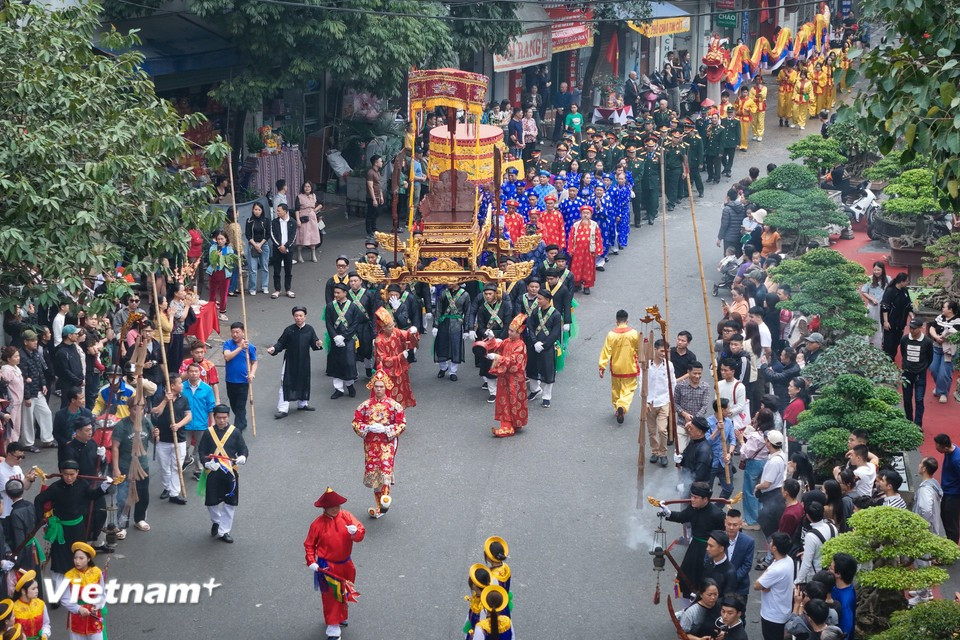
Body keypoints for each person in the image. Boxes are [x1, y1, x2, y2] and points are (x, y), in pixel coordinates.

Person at [33, 460, 112, 587]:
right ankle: (57, 592)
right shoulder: (55, 488)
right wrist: (41, 520)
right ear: (61, 473)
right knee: (59, 560)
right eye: (66, 474)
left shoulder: (82, 484)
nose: (69, 478)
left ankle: (78, 586)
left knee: (79, 556)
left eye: (72, 474)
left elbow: (92, 495)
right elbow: (39, 500)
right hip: (61, 530)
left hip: (78, 528)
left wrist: (104, 486)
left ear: (77, 473)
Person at [304, 488, 365, 640]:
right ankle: (333, 627)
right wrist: (311, 561)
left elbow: (360, 533)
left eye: (337, 506)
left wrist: (355, 532)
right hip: (327, 567)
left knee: (344, 591)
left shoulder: (346, 516)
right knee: (330, 597)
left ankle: (340, 616)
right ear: (325, 508)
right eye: (332, 507)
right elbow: (309, 544)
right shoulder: (317, 524)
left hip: (346, 563)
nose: (336, 509)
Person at [352, 371, 406, 518]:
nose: (379, 389)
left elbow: (401, 424)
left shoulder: (394, 406)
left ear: (386, 387)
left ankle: (384, 504)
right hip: (370, 445)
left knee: (385, 471)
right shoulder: (364, 406)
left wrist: (387, 429)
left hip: (387, 444)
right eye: (376, 386)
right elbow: (356, 422)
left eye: (381, 386)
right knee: (375, 475)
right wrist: (366, 428)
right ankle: (379, 506)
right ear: (372, 387)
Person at [658, 482, 726, 597]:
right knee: (685, 579)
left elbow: (726, 533)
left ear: (705, 499)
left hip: (708, 551)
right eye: (691, 496)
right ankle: (686, 609)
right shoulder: (693, 508)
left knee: (704, 580)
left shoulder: (717, 514)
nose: (692, 499)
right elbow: (682, 517)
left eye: (695, 497)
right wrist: (668, 513)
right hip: (694, 547)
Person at [198, 404, 248, 543]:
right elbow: (201, 451)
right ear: (214, 417)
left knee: (230, 503)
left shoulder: (235, 432)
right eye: (219, 418)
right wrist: (205, 462)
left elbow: (243, 449)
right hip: (213, 472)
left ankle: (224, 531)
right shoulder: (208, 433)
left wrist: (243, 457)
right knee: (211, 502)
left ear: (228, 417)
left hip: (230, 473)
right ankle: (217, 521)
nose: (222, 420)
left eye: (224, 418)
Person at [267, 306, 323, 417]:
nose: (298, 318)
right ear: (293, 317)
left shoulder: (309, 329)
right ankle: (283, 409)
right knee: (286, 383)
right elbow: (281, 343)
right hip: (290, 361)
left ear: (305, 316)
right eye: (296, 316)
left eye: (301, 316)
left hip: (304, 361)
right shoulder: (289, 330)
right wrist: (274, 349)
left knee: (303, 381)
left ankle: (302, 404)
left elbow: (314, 343)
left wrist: (318, 344)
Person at [110, 409, 152, 537]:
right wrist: (116, 468)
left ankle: (139, 519)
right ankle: (122, 525)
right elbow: (115, 447)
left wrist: (157, 434)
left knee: (143, 495)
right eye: (135, 408)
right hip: (125, 467)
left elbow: (154, 440)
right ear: (129, 409)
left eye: (141, 407)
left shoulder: (145, 422)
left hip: (142, 467)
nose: (139, 410)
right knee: (123, 498)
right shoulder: (121, 426)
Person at [468, 284, 512, 403]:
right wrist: (486, 332)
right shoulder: (482, 308)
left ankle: (504, 389)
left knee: (503, 363)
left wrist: (501, 337)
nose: (488, 296)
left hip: (503, 337)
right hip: (488, 338)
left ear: (495, 294)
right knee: (488, 364)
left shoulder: (505, 305)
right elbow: (481, 325)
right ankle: (493, 392)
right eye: (486, 294)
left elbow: (508, 323)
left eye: (490, 294)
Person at [149, 376, 190, 505]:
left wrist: (178, 425)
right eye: (179, 383)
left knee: (177, 467)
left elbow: (188, 416)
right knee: (165, 467)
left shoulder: (184, 399)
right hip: (163, 440)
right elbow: (155, 413)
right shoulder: (159, 397)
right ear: (172, 386)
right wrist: (165, 401)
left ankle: (174, 493)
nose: (182, 385)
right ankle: (167, 487)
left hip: (180, 439)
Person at [598, 310, 640, 424]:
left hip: (616, 368)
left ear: (616, 321)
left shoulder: (611, 334)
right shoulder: (633, 333)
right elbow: (639, 349)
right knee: (628, 389)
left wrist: (602, 367)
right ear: (627, 320)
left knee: (616, 389)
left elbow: (606, 351)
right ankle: (622, 406)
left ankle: (617, 407)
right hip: (630, 367)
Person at [372, 308, 417, 409]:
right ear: (383, 327)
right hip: (388, 372)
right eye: (390, 326)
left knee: (402, 392)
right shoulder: (379, 340)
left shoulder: (395, 332)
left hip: (399, 368)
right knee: (389, 398)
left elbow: (406, 335)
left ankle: (399, 413)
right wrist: (400, 357)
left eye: (393, 325)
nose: (393, 327)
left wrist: (412, 332)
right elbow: (382, 360)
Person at [61, 542, 106, 640]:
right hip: (77, 617)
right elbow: (65, 599)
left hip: (94, 615)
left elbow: (102, 593)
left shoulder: (97, 572)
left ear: (88, 559)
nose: (77, 561)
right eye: (75, 558)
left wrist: (97, 605)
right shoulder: (69, 576)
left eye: (81, 558)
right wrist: (78, 609)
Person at [324, 284, 363, 399]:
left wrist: (344, 337)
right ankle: (338, 389)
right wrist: (335, 336)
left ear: (345, 293)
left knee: (349, 363)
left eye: (338, 293)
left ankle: (350, 385)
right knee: (335, 363)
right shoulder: (330, 306)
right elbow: (329, 323)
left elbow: (355, 324)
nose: (336, 295)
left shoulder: (353, 307)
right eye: (335, 293)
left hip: (348, 340)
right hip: (335, 340)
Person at [642, 339, 676, 467]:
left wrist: (672, 399)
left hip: (664, 401)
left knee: (662, 430)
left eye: (666, 351)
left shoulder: (669, 365)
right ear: (655, 350)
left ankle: (663, 453)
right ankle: (655, 451)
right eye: (662, 351)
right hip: (650, 402)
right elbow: (642, 382)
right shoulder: (647, 364)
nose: (664, 353)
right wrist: (644, 401)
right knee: (651, 431)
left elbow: (672, 382)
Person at [18, 331, 54, 451]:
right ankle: (28, 443)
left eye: (35, 340)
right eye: (32, 340)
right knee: (28, 419)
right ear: (25, 342)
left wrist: (43, 384)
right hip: (29, 393)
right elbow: (23, 378)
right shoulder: (22, 356)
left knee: (46, 413)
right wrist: (27, 396)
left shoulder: (35, 353)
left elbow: (40, 371)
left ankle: (47, 439)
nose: (35, 342)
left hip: (38, 390)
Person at [525, 289, 562, 408]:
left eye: (540, 299)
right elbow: (530, 327)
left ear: (547, 300)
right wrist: (535, 342)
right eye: (537, 298)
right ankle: (535, 389)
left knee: (548, 372)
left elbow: (555, 333)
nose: (538, 301)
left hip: (547, 348)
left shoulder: (556, 314)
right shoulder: (536, 311)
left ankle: (546, 397)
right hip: (534, 346)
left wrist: (544, 345)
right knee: (532, 369)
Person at [755, 532, 794, 640]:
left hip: (772, 617)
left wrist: (765, 581)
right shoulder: (789, 560)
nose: (769, 544)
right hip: (783, 612)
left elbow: (757, 585)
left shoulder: (776, 569)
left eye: (771, 542)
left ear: (775, 548)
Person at [181, 362, 216, 477]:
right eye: (191, 371)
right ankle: (186, 460)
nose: (194, 374)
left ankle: (198, 469)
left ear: (200, 373)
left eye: (196, 371)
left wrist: (212, 422)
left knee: (199, 448)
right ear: (187, 372)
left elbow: (211, 406)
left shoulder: (206, 389)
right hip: (185, 424)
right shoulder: (182, 387)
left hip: (201, 424)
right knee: (183, 447)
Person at [900, 317, 933, 426]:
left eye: (914, 328)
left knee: (919, 399)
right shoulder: (904, 339)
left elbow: (930, 358)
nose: (911, 330)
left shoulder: (927, 342)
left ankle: (918, 424)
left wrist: (922, 368)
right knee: (907, 399)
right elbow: (903, 353)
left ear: (920, 328)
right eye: (910, 328)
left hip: (920, 374)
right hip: (907, 373)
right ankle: (909, 422)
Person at [795, 501, 838, 585]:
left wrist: (797, 581)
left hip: (816, 575)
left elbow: (806, 564)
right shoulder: (833, 527)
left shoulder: (810, 536)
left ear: (807, 516)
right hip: (830, 572)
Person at [434, 283, 470, 382]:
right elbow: (438, 309)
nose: (448, 283)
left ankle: (453, 372)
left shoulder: (465, 295)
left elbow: (467, 313)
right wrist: (435, 325)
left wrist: (467, 329)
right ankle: (443, 367)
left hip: (457, 324)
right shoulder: (443, 293)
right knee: (441, 346)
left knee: (455, 347)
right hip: (443, 323)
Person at [756, 430, 788, 538]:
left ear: (769, 443)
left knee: (767, 521)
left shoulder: (774, 462)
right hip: (776, 492)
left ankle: (771, 551)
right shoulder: (781, 455)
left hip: (771, 494)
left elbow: (766, 484)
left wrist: (757, 487)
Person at [566, 205, 603, 294]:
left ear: (591, 214)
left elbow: (598, 238)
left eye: (587, 213)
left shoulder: (594, 225)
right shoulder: (575, 225)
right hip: (577, 251)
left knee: (588, 268)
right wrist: (570, 249)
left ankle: (587, 286)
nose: (585, 215)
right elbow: (571, 238)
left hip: (589, 251)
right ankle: (577, 284)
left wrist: (598, 250)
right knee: (576, 267)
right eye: (584, 213)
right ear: (581, 214)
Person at [674, 362, 711, 453]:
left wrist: (693, 421)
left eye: (699, 374)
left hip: (698, 427)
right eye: (695, 373)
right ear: (688, 372)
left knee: (696, 453)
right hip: (682, 424)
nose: (697, 376)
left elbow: (704, 406)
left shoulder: (705, 387)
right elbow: (675, 403)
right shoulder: (680, 386)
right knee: (680, 452)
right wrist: (684, 414)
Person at [929, 300, 960, 403]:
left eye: (944, 307)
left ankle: (943, 392)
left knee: (944, 373)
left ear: (950, 310)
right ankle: (939, 386)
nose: (942, 308)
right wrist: (936, 337)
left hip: (949, 350)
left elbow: (953, 333)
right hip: (937, 347)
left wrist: (942, 337)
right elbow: (932, 328)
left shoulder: (958, 320)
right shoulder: (940, 317)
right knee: (933, 369)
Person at [6, 479, 39, 573]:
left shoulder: (15, 513)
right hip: (33, 547)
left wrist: (16, 562)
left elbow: (19, 539)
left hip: (24, 552)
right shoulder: (30, 504)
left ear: (8, 495)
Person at [724, 509, 756, 603]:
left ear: (740, 524)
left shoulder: (748, 542)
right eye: (729, 524)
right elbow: (709, 559)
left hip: (739, 587)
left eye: (735, 525)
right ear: (724, 523)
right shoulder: (716, 538)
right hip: (719, 586)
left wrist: (731, 579)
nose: (731, 527)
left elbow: (747, 565)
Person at [705, 406, 736, 499]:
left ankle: (717, 508)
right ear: (722, 410)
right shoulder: (708, 422)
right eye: (728, 409)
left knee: (728, 489)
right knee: (706, 491)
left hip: (724, 461)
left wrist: (729, 453)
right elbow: (706, 441)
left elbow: (733, 440)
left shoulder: (729, 422)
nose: (729, 411)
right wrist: (717, 429)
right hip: (710, 461)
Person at [880, 272, 913, 359]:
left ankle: (892, 358)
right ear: (901, 281)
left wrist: (912, 317)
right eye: (906, 281)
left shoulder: (905, 291)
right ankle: (887, 360)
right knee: (888, 344)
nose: (907, 283)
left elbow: (908, 306)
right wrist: (886, 321)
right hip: (891, 321)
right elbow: (885, 307)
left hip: (901, 321)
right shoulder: (890, 291)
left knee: (896, 342)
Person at [934, 433, 960, 543]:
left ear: (944, 447)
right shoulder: (950, 450)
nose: (937, 449)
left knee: (951, 522)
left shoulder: (956, 460)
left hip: (953, 495)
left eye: (938, 447)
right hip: (947, 491)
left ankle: (952, 547)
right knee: (945, 516)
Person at [270, 203, 298, 299]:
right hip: (277, 249)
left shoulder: (293, 222)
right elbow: (272, 235)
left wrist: (285, 247)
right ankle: (277, 290)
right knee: (276, 270)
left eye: (279, 210)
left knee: (288, 270)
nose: (277, 212)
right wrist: (279, 246)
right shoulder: (274, 222)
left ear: (285, 211)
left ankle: (288, 289)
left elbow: (293, 237)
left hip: (288, 250)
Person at [680, 417, 714, 496]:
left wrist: (686, 485)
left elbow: (699, 475)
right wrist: (680, 458)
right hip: (688, 483)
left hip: (697, 492)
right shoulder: (693, 441)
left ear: (699, 432)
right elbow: (686, 455)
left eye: (691, 428)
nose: (689, 430)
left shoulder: (704, 451)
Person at [12, 570, 49, 640]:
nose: (37, 591)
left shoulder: (40, 604)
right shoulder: (14, 608)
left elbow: (46, 624)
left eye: (37, 588)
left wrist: (45, 634)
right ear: (23, 591)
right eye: (33, 589)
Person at [244, 201, 271, 296]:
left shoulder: (266, 220)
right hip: (252, 245)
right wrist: (255, 245)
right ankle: (252, 288)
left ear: (262, 210)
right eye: (255, 209)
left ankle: (264, 286)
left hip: (264, 244)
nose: (257, 211)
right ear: (252, 210)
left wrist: (260, 244)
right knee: (253, 268)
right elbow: (248, 235)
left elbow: (268, 234)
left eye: (259, 209)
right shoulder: (249, 220)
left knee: (264, 266)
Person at [829, 553, 857, 640]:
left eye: (831, 568)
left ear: (838, 574)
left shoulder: (846, 599)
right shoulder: (835, 586)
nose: (828, 569)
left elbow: (846, 629)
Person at [702, 530, 738, 597]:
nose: (707, 548)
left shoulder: (730, 572)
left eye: (711, 546)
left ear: (721, 549)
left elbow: (728, 597)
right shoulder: (708, 563)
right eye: (707, 545)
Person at [0, 349, 24, 445]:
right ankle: (11, 447)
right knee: (11, 427)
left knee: (17, 426)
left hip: (18, 402)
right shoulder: (6, 370)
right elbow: (5, 389)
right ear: (9, 359)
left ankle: (15, 445)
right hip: (11, 404)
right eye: (15, 356)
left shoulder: (16, 368)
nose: (18, 358)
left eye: (18, 356)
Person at [295, 181, 323, 262]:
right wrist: (298, 220)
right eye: (305, 187)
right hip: (303, 218)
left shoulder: (314, 195)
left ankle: (313, 255)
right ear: (303, 188)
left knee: (313, 236)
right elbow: (296, 209)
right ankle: (299, 255)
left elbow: (321, 203)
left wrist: (314, 210)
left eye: (308, 187)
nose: (307, 188)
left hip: (312, 218)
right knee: (301, 236)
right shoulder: (299, 197)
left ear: (311, 188)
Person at [717, 190, 746, 257]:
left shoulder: (726, 209)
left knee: (728, 256)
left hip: (729, 237)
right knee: (738, 256)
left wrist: (719, 238)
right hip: (739, 236)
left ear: (728, 197)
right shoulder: (742, 207)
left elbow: (724, 225)